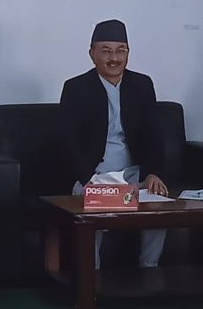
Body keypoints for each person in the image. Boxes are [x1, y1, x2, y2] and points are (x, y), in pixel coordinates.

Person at [58, 19, 168, 269]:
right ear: (92, 54)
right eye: (106, 51)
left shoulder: (142, 85)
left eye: (121, 50)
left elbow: (154, 135)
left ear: (128, 53)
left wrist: (154, 172)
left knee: (159, 209)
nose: (114, 58)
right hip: (95, 175)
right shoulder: (76, 88)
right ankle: (91, 277)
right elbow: (67, 142)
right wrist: (89, 178)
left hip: (134, 175)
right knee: (93, 214)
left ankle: (149, 269)